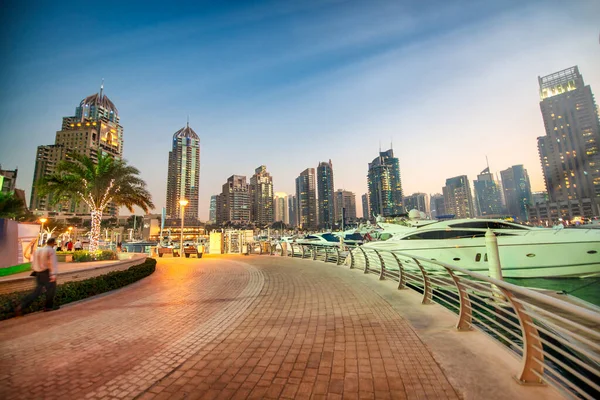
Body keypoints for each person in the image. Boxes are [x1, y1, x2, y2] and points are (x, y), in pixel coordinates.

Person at [16, 237, 59, 315]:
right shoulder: (51, 251)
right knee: (51, 290)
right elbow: (51, 263)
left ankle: (22, 305)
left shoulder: (38, 250)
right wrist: (53, 275)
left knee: (37, 292)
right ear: (53, 243)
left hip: (38, 273)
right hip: (47, 273)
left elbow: (33, 262)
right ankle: (48, 307)